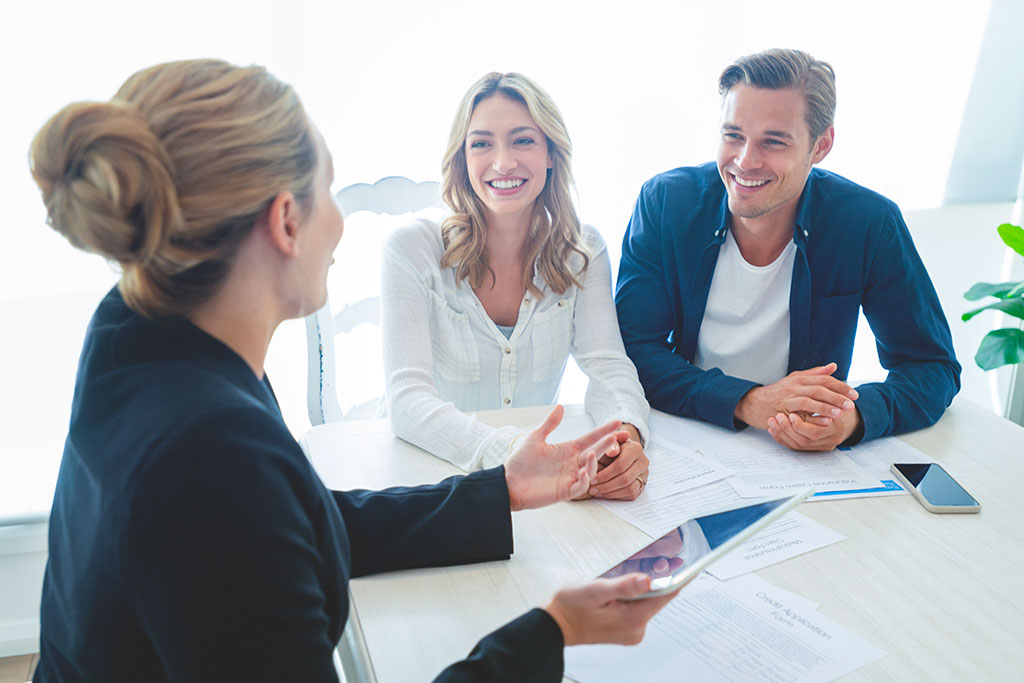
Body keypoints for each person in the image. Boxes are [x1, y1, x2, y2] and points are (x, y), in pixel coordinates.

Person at [29, 59, 679, 682]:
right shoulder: (213, 455)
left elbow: (294, 524)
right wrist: (551, 629)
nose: (339, 223)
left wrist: (498, 488)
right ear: (287, 220)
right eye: (328, 190)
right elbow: (253, 508)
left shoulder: (138, 329)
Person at [616, 48, 960, 452]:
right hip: (683, 435)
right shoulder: (666, 203)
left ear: (820, 145)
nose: (745, 161)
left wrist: (855, 418)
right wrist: (748, 401)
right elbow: (631, 351)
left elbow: (932, 367)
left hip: (801, 458)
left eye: (773, 142)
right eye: (733, 136)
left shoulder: (868, 223)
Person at [382, 72, 651, 499]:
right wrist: (513, 454)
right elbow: (407, 401)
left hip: (537, 489)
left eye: (523, 140)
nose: (503, 162)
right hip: (427, 476)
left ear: (550, 153)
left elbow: (608, 366)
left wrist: (625, 436)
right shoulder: (411, 249)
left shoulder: (584, 249)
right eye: (482, 143)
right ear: (462, 159)